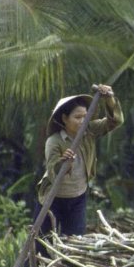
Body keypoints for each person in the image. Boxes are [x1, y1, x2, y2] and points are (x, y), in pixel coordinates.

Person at [36, 84, 123, 237]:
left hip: (78, 197)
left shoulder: (89, 130)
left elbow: (114, 122)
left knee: (75, 239)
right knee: (42, 243)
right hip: (53, 199)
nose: (82, 121)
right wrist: (64, 162)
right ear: (64, 119)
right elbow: (52, 170)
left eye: (85, 116)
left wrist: (109, 99)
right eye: (77, 117)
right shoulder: (54, 141)